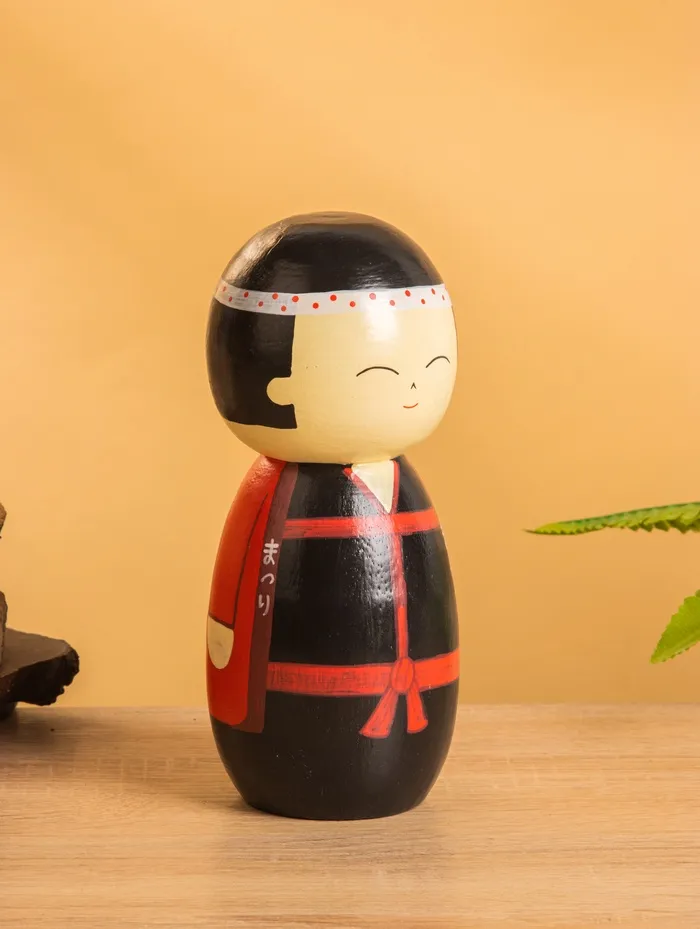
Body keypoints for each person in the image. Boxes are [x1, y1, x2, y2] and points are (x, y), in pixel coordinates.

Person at [206, 212, 459, 819]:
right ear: (274, 385)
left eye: (432, 368)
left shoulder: (397, 483)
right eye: (380, 373)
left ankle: (393, 775)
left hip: (412, 691)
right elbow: (240, 599)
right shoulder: (273, 495)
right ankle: (281, 775)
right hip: (286, 699)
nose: (413, 391)